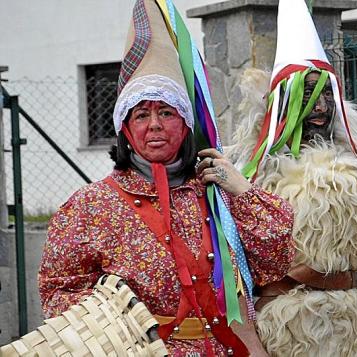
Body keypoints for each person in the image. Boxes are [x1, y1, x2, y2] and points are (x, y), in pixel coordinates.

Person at [38, 1, 294, 356]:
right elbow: (58, 290)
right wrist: (120, 328)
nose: (154, 124)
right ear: (126, 130)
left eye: (167, 112)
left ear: (186, 123)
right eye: (141, 114)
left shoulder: (215, 194)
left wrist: (242, 189)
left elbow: (275, 261)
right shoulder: (91, 207)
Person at [225, 0, 357, 355]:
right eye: (307, 95)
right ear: (284, 104)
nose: (319, 107)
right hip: (288, 330)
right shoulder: (252, 173)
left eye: (325, 96)